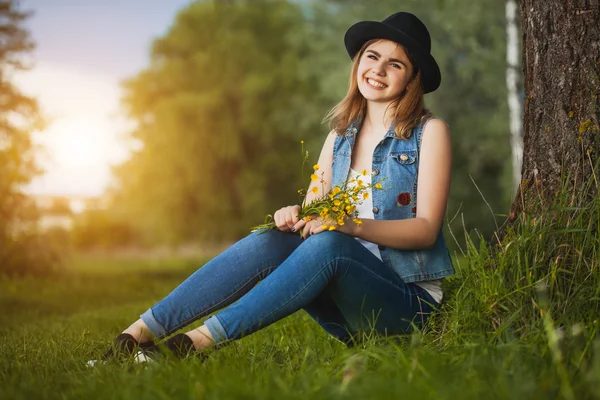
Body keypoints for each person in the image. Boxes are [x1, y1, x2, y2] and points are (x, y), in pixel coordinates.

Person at [91, 11, 454, 364]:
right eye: (372, 56)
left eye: (395, 64)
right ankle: (135, 337)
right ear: (359, 62)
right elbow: (313, 218)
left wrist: (348, 225)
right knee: (275, 238)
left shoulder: (428, 132)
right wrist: (293, 216)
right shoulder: (340, 137)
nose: (378, 69)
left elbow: (424, 232)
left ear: (411, 80)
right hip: (349, 314)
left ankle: (190, 346)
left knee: (331, 243)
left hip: (407, 310)